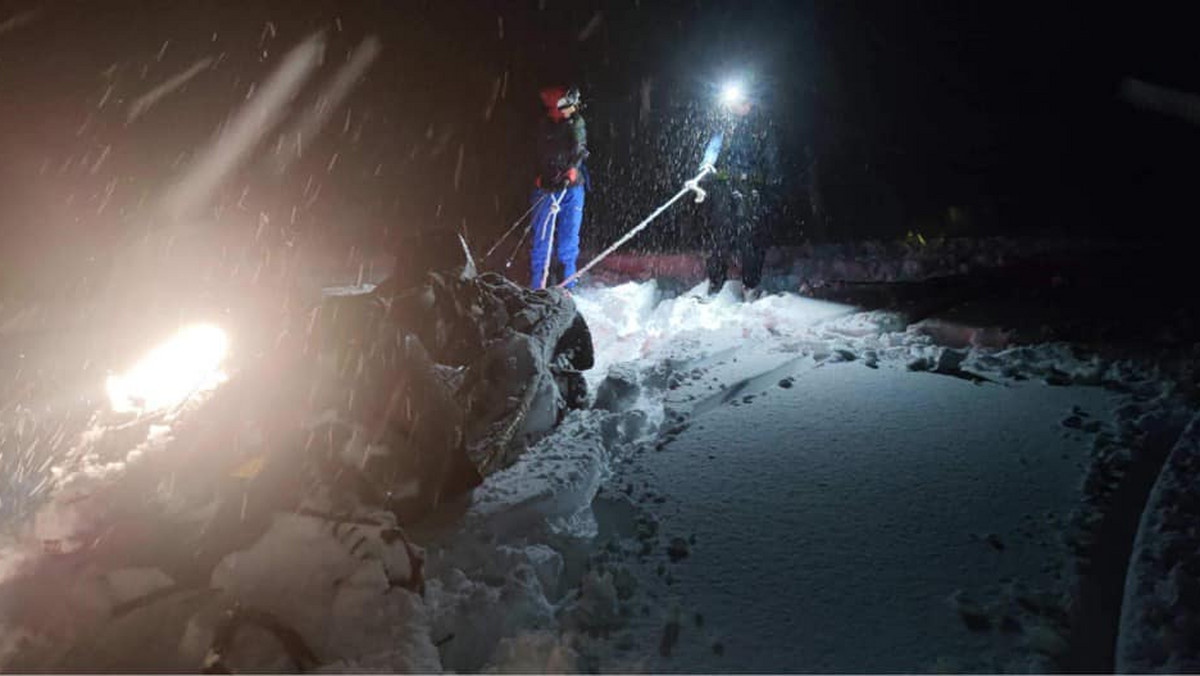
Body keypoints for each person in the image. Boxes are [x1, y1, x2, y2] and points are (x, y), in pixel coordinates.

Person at [700, 84, 781, 300]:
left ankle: (750, 285)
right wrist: (704, 167)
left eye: (742, 101)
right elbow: (713, 149)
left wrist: (773, 186)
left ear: (750, 102)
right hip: (724, 187)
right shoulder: (725, 126)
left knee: (750, 237)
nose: (738, 105)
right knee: (720, 234)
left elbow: (771, 158)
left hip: (751, 188)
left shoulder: (761, 125)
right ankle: (716, 284)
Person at [528, 86, 588, 289]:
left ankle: (567, 288)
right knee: (542, 242)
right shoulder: (543, 125)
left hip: (570, 189)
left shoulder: (575, 122)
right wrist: (537, 175)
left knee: (567, 243)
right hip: (545, 189)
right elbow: (535, 152)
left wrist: (572, 169)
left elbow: (580, 148)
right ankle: (539, 286)